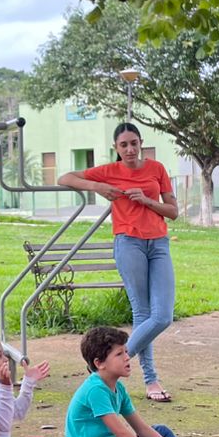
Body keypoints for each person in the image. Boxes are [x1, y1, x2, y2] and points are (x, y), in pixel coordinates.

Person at [58, 123, 180, 401]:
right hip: (128, 242)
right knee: (142, 314)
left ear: (141, 143)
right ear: (116, 148)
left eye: (134, 143)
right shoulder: (109, 171)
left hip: (158, 243)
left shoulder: (156, 169)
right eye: (123, 145)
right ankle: (151, 382)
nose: (129, 149)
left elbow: (173, 211)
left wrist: (148, 200)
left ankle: (104, 370)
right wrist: (98, 186)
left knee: (161, 316)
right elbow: (66, 178)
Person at [66, 326, 219, 437]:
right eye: (119, 354)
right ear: (99, 363)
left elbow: (142, 429)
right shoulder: (95, 390)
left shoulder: (118, 388)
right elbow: (124, 435)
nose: (127, 357)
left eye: (126, 351)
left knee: (160, 431)